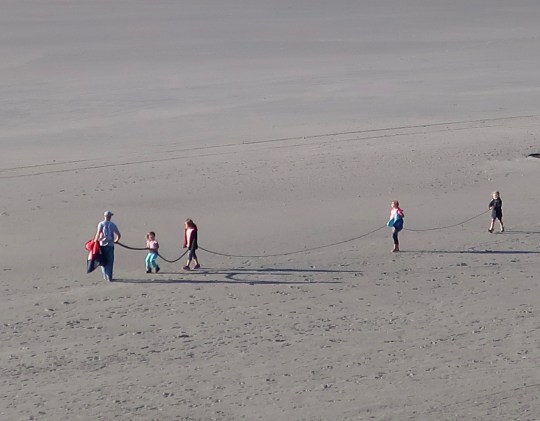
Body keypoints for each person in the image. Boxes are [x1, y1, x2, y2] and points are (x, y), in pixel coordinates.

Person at [94, 210, 121, 282]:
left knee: (103, 260)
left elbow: (98, 233)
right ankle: (109, 276)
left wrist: (95, 241)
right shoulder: (112, 224)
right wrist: (116, 240)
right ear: (110, 217)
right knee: (110, 261)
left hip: (102, 244)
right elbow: (118, 234)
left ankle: (105, 276)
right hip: (110, 245)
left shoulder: (101, 224)